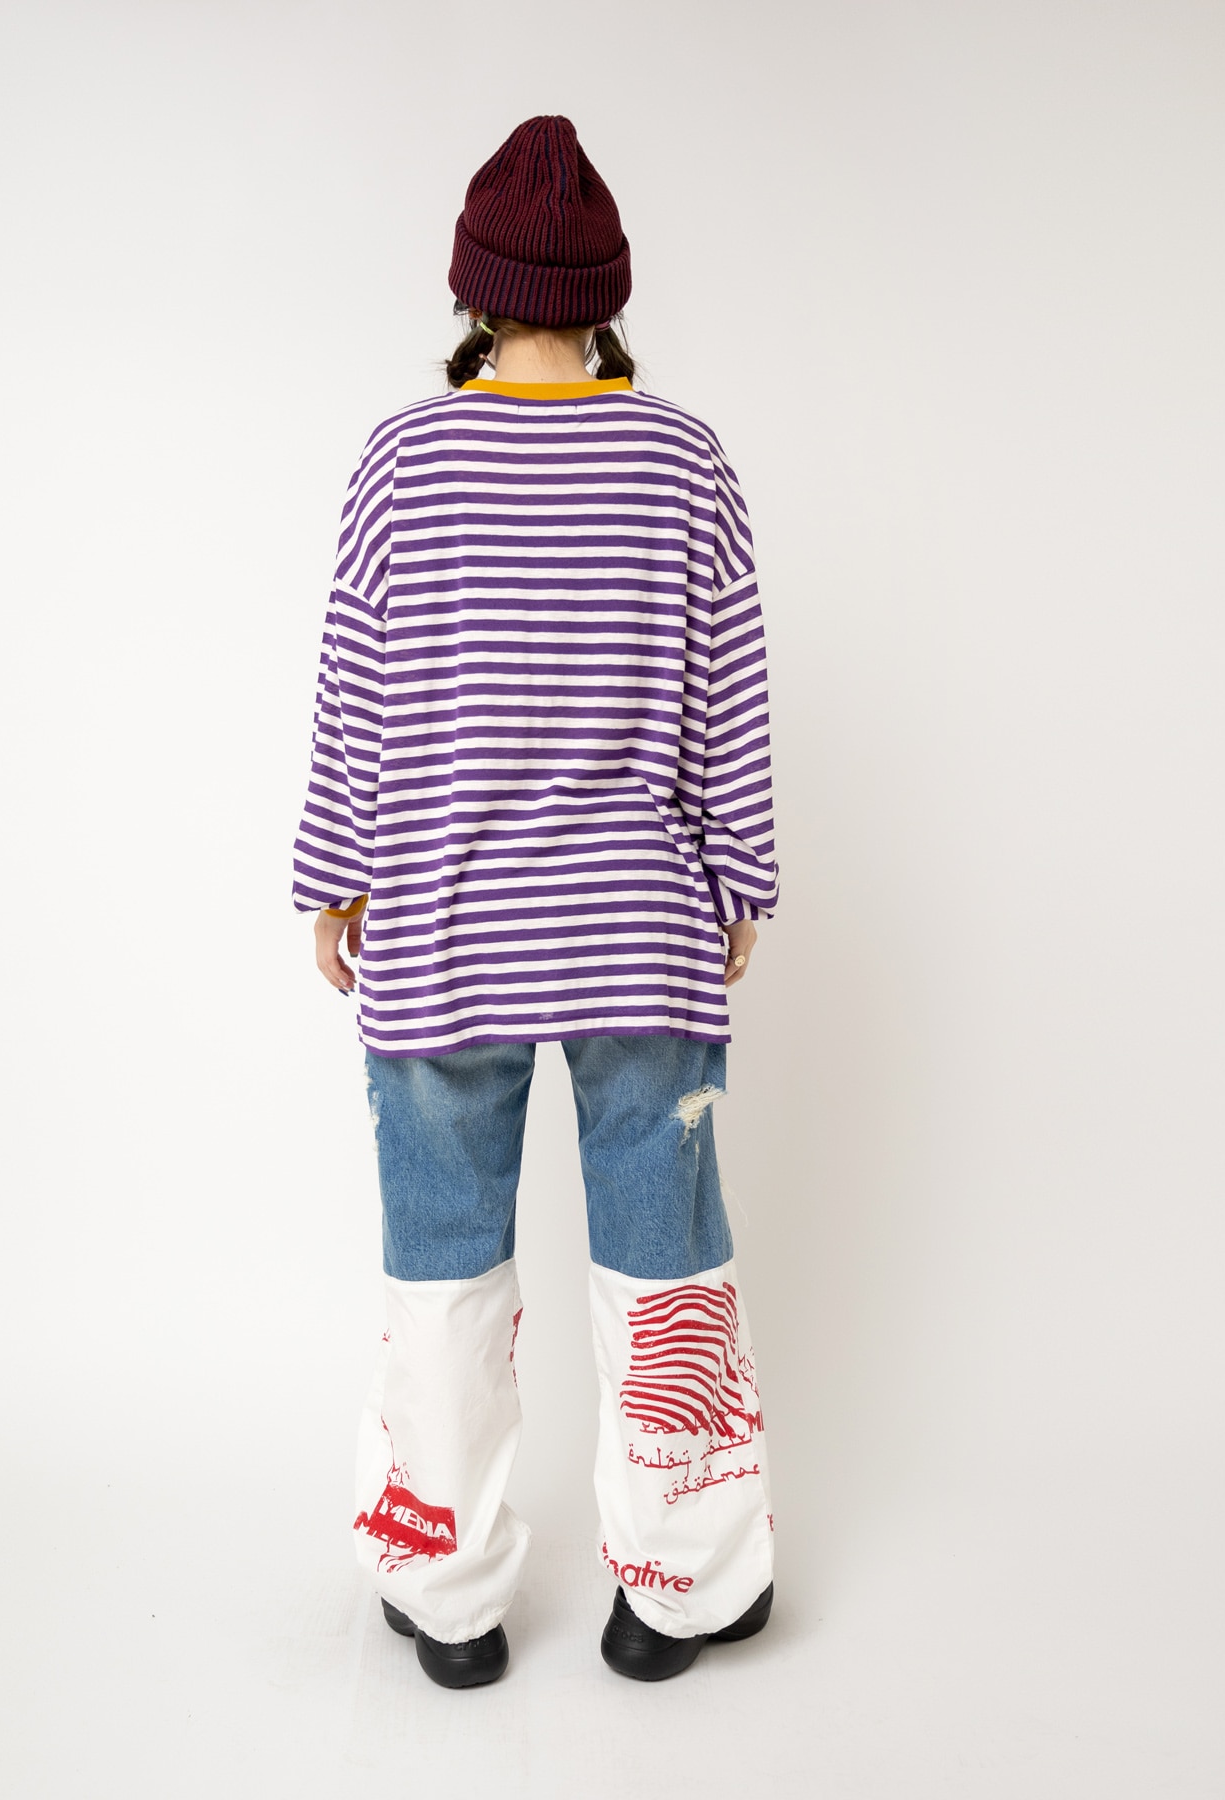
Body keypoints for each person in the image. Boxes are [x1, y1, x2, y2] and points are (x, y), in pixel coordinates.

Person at [292, 115, 779, 1688]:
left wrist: (336, 871)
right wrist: (742, 872)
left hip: (442, 930)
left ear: (475, 290)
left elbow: (358, 689)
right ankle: (684, 1593)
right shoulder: (685, 459)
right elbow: (728, 695)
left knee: (441, 1263)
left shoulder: (403, 459)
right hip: (642, 932)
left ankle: (448, 1605)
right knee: (665, 1262)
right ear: (607, 292)